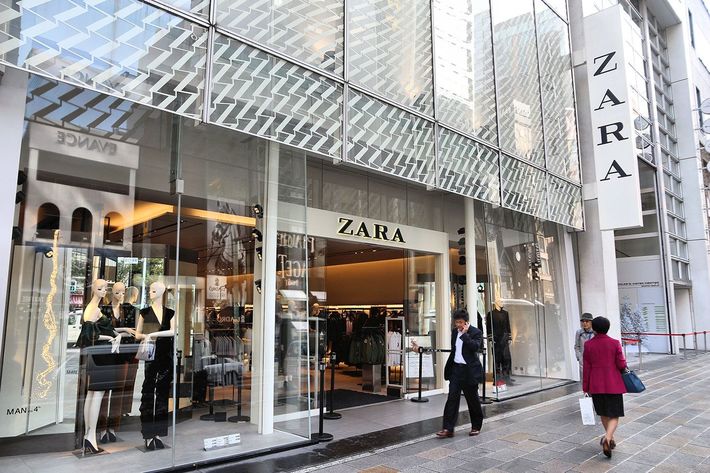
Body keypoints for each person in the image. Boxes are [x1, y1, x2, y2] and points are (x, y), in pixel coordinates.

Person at [583, 316, 627, 458]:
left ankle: (610, 438)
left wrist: (585, 387)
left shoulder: (588, 345)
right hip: (613, 383)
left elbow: (586, 368)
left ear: (594, 328)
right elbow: (621, 364)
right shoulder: (614, 343)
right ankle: (608, 438)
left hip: (596, 385)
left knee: (603, 413)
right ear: (607, 328)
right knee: (614, 414)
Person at [437, 309, 484, 438]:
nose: (458, 325)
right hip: (456, 370)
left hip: (469, 371)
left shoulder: (476, 332)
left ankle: (476, 426)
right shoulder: (454, 332)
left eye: (460, 322)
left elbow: (475, 347)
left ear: (466, 322)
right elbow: (455, 350)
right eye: (456, 322)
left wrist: (464, 335)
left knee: (472, 399)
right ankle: (448, 429)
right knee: (452, 399)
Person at [574, 312, 594, 377]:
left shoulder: (595, 332)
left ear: (591, 322)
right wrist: (579, 357)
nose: (584, 323)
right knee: (584, 378)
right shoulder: (579, 332)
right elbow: (577, 346)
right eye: (582, 321)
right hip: (583, 359)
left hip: (594, 359)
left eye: (587, 321)